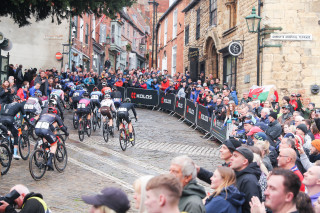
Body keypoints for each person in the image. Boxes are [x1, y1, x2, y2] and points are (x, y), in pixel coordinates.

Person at [229, 146, 262, 213]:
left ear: (245, 161)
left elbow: (250, 208)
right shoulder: (238, 175)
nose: (231, 158)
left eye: (235, 156)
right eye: (232, 156)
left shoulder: (249, 180)